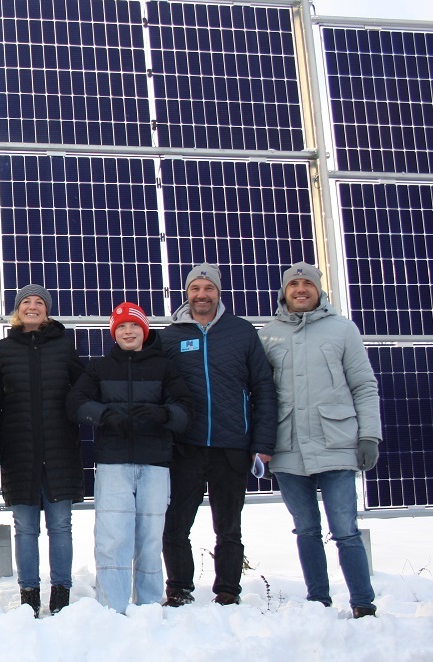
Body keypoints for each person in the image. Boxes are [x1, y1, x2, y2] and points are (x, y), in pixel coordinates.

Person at [259, 262, 382, 618]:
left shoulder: (343, 330)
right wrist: (262, 445)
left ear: (318, 290)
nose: (300, 289)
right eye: (293, 284)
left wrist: (369, 435)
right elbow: (258, 395)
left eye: (307, 284)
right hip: (287, 446)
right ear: (285, 292)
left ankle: (363, 604)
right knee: (306, 530)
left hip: (336, 444)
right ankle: (319, 602)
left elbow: (364, 386)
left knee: (345, 530)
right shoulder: (268, 335)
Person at [159, 263, 277, 606]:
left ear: (218, 293)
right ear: (187, 293)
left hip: (231, 446)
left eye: (208, 288)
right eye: (195, 288)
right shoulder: (170, 337)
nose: (202, 295)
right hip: (186, 447)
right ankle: (179, 587)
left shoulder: (241, 332)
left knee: (228, 527)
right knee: (176, 524)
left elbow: (264, 390)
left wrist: (262, 442)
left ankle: (227, 590)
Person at [68, 302, 193, 612]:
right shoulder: (99, 367)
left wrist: (161, 414)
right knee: (112, 538)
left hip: (154, 463)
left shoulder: (164, 367)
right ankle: (113, 606)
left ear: (144, 330)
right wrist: (105, 415)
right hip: (114, 464)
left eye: (134, 325)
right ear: (114, 332)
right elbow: (76, 404)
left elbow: (185, 411)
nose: (128, 331)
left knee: (150, 538)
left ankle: (149, 604)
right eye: (121, 326)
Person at [0, 284, 83, 615]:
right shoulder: (2, 350)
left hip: (60, 451)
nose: (32, 306)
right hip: (19, 453)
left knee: (60, 525)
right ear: (17, 310)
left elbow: (83, 391)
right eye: (26, 302)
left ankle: (61, 593)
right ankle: (28, 593)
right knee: (25, 527)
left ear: (47, 309)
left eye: (39, 302)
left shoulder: (65, 347)